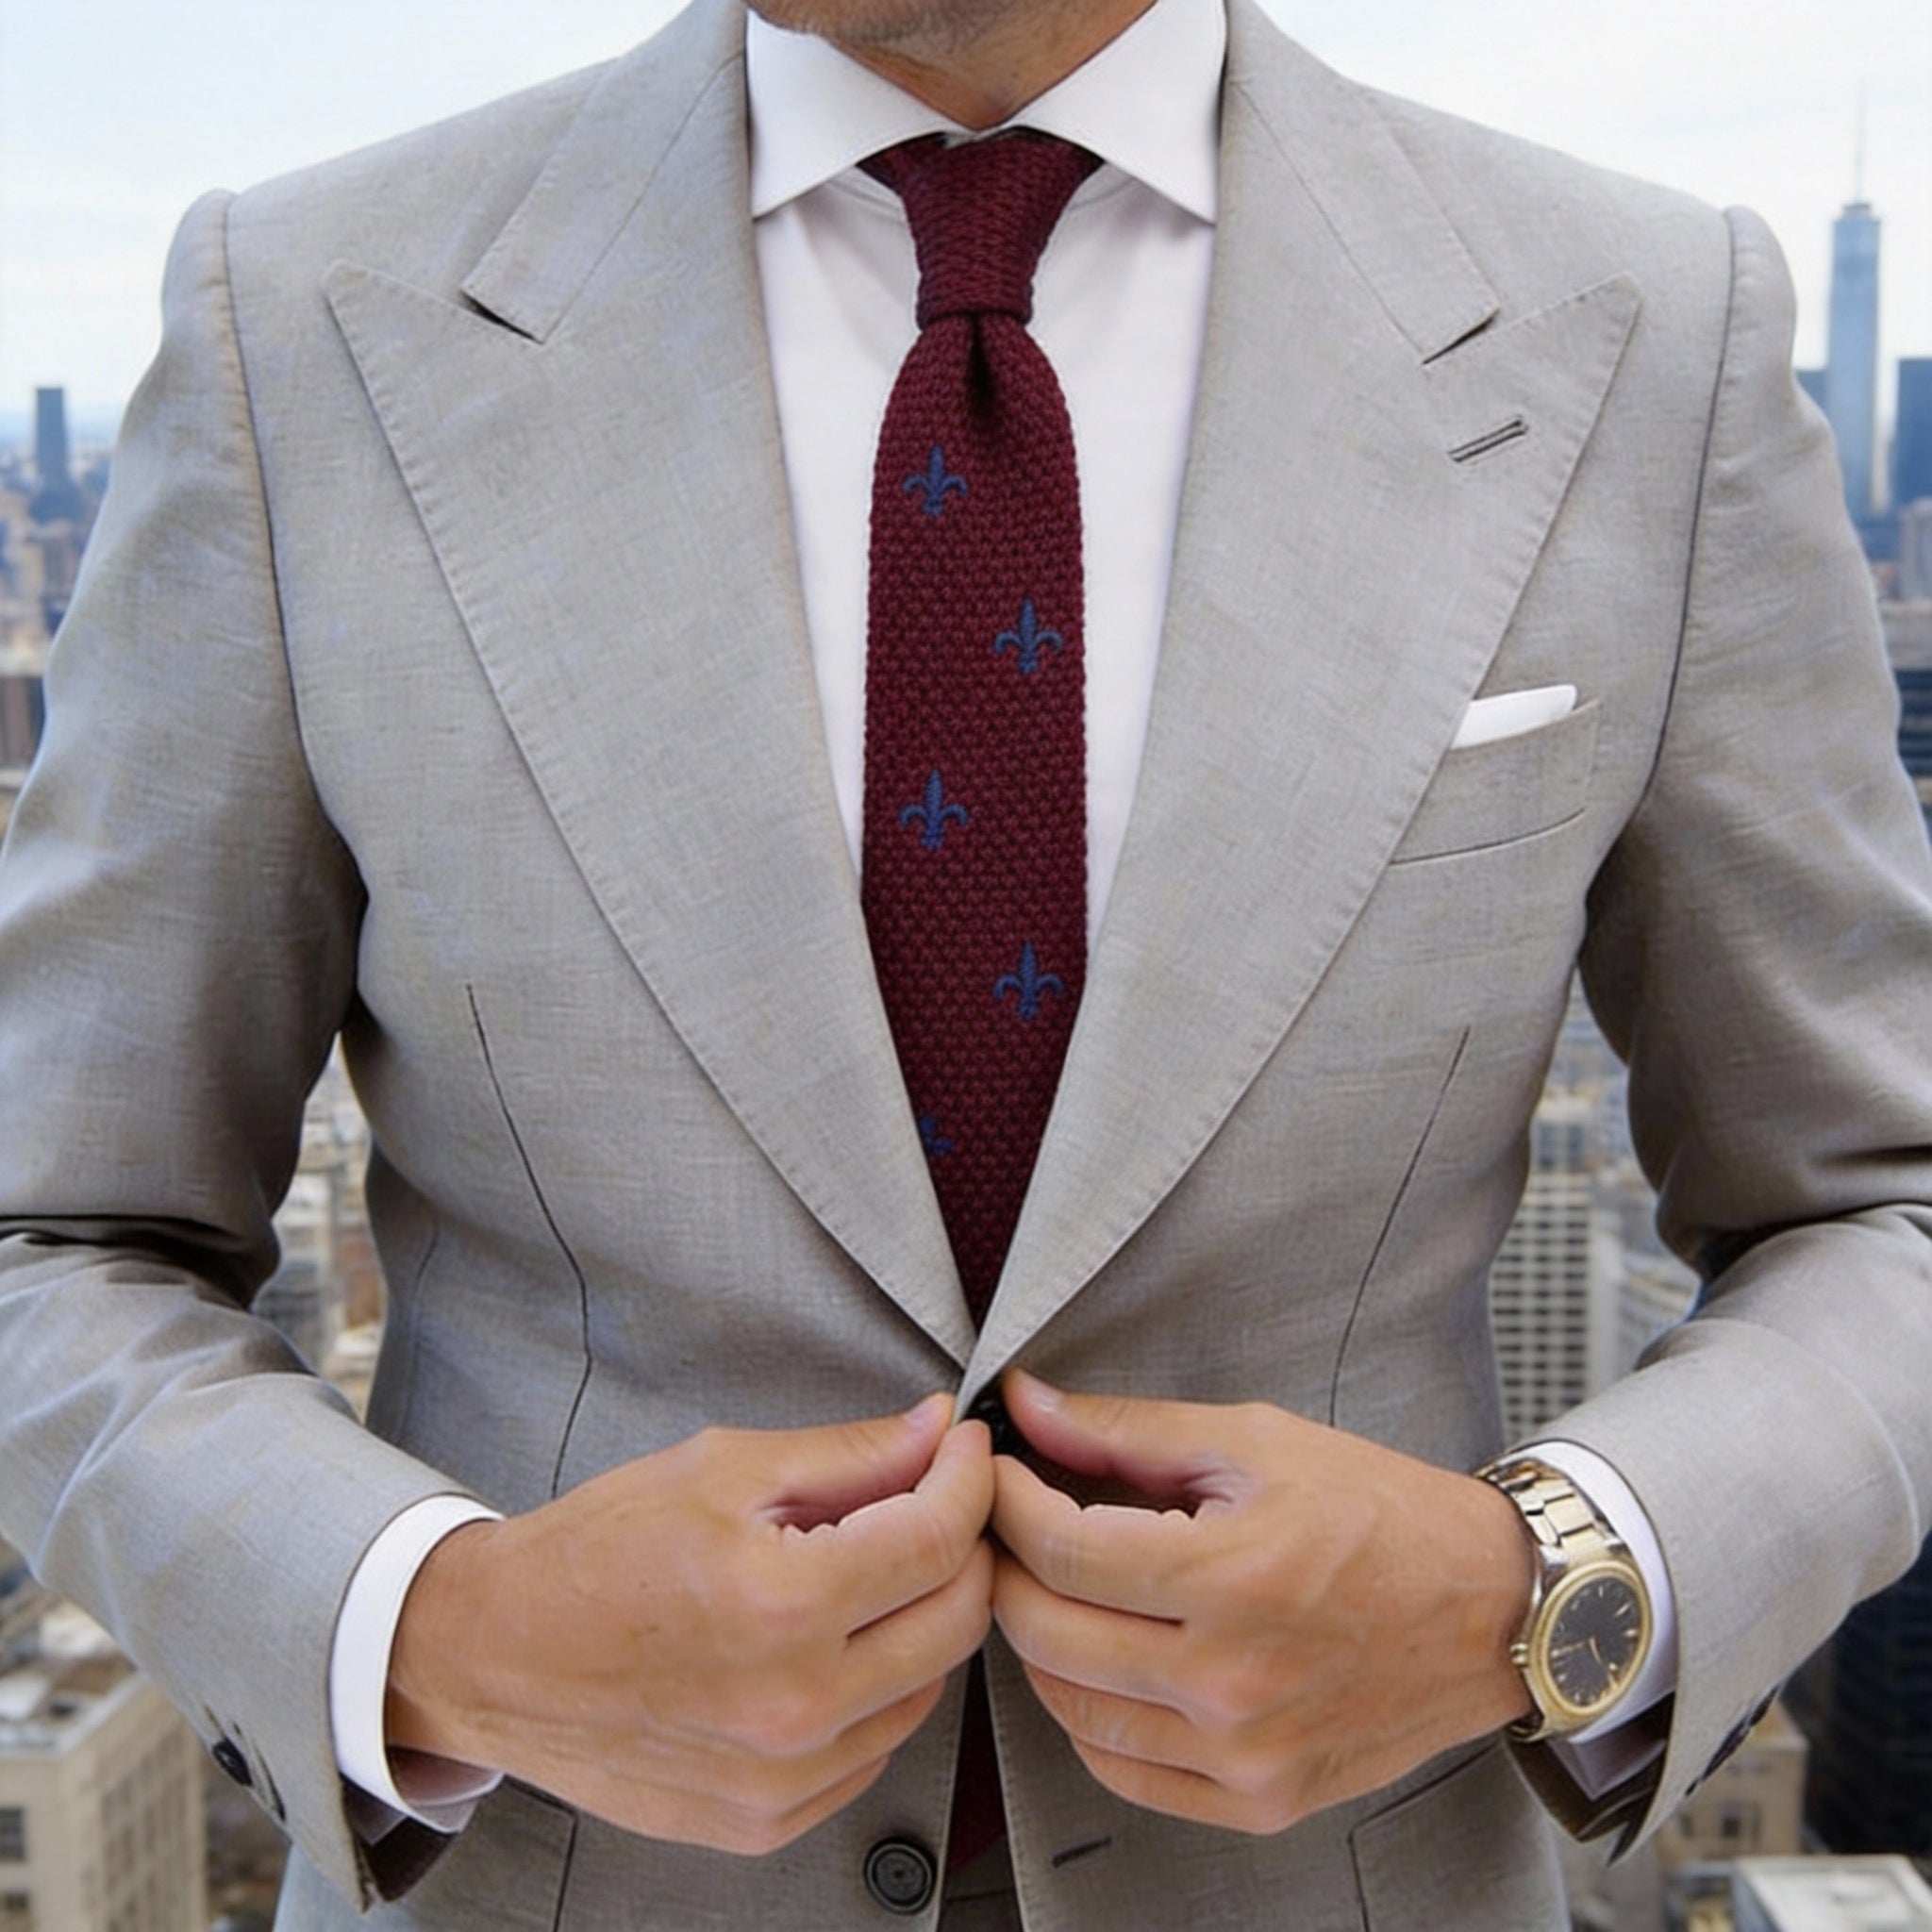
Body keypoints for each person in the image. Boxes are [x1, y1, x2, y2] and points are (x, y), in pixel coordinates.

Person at [2, 0, 1929, 1924]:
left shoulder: (1650, 333)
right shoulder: (305, 321)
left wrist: (1536, 1591)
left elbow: (1879, 1205)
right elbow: (57, 1235)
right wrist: (447, 1629)